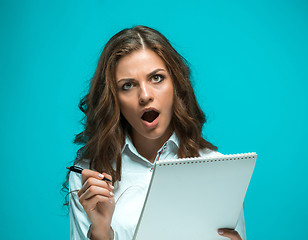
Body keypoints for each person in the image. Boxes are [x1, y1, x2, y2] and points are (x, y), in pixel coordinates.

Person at [63, 25, 246, 240]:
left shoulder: (220, 170)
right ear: (114, 98)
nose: (145, 95)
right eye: (128, 85)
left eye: (156, 78)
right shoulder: (89, 175)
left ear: (176, 85)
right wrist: (101, 231)